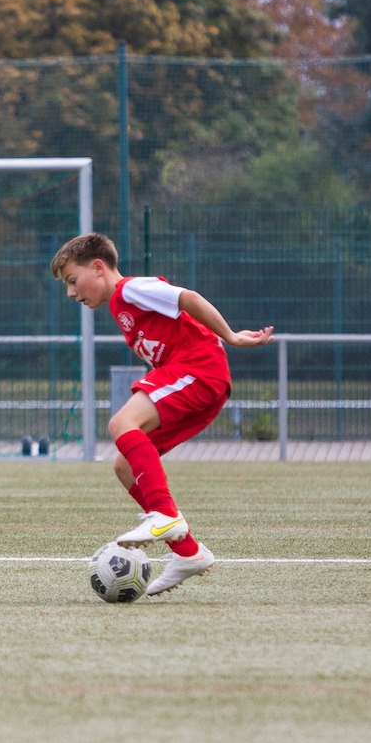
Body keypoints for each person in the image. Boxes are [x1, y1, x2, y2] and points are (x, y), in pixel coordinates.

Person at [51, 233, 273, 596]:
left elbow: (189, 298)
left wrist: (231, 336)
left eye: (73, 281)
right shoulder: (119, 306)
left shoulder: (131, 290)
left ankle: (165, 516)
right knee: (125, 465)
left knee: (121, 423)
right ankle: (188, 553)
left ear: (98, 267)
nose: (71, 293)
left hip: (200, 369)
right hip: (198, 380)